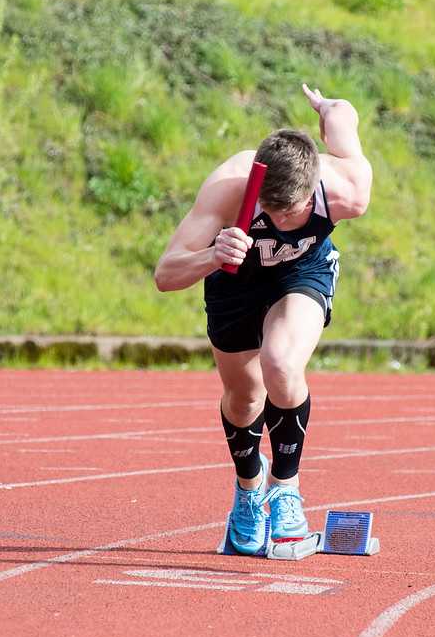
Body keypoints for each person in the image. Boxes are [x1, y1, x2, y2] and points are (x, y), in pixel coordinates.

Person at [155, 83, 372, 554]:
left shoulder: (346, 190)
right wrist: (211, 254)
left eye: (290, 213)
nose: (278, 222)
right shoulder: (229, 188)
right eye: (268, 212)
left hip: (302, 272)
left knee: (281, 364)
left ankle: (286, 489)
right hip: (234, 283)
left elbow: (343, 122)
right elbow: (165, 274)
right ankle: (249, 492)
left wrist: (330, 109)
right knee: (244, 397)